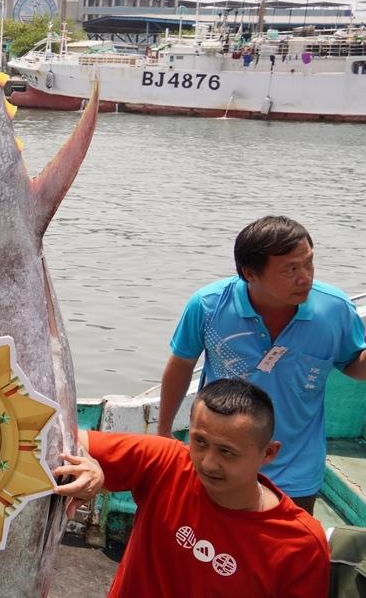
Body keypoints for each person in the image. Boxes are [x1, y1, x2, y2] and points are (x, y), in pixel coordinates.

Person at [156, 215, 366, 512]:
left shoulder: (334, 310)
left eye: (308, 263)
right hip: (219, 462)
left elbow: (352, 364)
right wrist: (164, 431)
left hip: (296, 471)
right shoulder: (208, 306)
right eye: (290, 269)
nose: (305, 277)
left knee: (281, 554)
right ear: (251, 274)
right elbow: (181, 364)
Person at [55, 378, 330, 597]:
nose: (208, 463)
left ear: (268, 453)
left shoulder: (300, 545)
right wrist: (89, 465)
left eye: (227, 452)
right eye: (199, 442)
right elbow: (60, 439)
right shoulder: (167, 462)